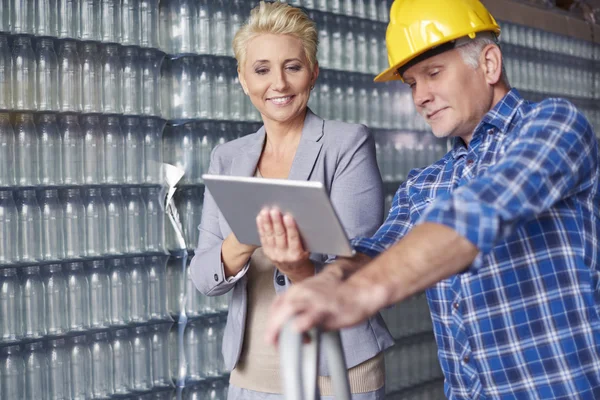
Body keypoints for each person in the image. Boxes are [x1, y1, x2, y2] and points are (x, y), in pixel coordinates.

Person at [265, 0, 600, 398]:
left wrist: (361, 292)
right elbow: (373, 255)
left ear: (489, 64)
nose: (420, 96)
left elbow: (479, 212)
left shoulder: (556, 127)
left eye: (433, 73)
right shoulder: (425, 184)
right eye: (411, 83)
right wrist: (319, 276)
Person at [190, 2, 393, 399]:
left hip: (337, 366)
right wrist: (245, 237)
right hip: (253, 371)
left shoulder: (347, 143)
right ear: (244, 80)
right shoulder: (227, 158)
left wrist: (300, 265)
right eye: (262, 69)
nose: (278, 84)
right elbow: (202, 277)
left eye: (293, 67)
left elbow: (359, 268)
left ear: (312, 73)